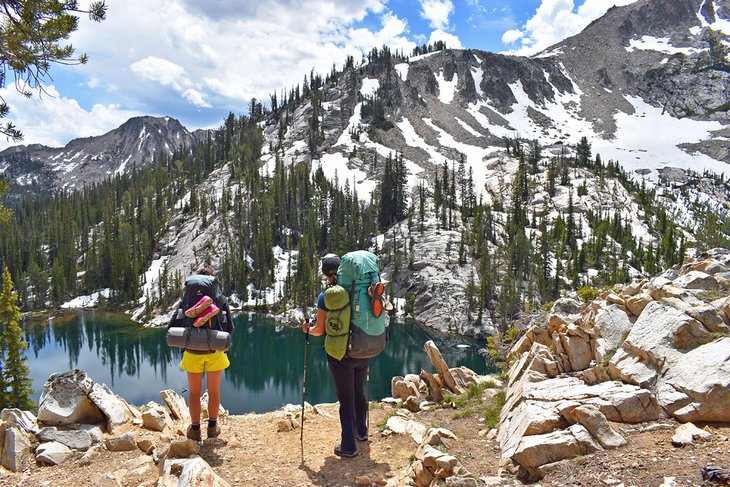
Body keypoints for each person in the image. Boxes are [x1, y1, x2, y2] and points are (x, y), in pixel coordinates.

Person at [303, 254, 369, 458]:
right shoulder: (358, 290)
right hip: (363, 349)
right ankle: (361, 431)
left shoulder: (327, 296)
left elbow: (319, 330)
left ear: (326, 274)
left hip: (340, 355)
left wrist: (307, 329)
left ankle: (348, 446)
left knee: (345, 399)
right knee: (358, 391)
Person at [168, 266, 234, 441]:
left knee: (194, 392)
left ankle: (195, 430)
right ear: (213, 281)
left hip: (192, 351)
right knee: (214, 391)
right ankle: (212, 427)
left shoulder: (187, 299)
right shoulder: (220, 299)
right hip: (214, 349)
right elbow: (230, 327)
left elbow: (173, 324)